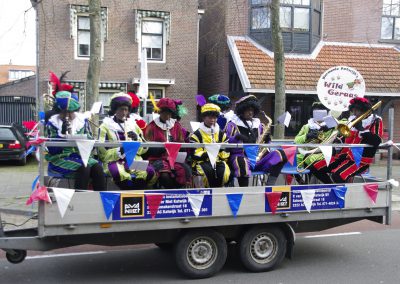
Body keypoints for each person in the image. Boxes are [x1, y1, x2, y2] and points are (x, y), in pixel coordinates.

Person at [309, 97, 383, 183]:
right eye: (353, 111)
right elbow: (346, 136)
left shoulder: (375, 120)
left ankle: (338, 192)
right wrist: (339, 140)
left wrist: (362, 130)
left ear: (364, 110)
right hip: (343, 156)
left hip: (359, 159)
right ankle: (332, 187)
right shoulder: (352, 120)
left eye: (357, 110)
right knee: (314, 167)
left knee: (337, 175)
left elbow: (377, 141)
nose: (355, 113)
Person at [45, 91, 106, 191]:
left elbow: (91, 142)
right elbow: (53, 150)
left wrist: (85, 141)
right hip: (60, 158)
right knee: (84, 168)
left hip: (82, 156)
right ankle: (79, 198)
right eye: (64, 112)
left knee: (98, 169)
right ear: (59, 111)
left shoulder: (82, 121)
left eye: (70, 111)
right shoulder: (53, 123)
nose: (67, 115)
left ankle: (102, 199)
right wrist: (63, 135)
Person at [98, 93, 156, 190]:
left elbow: (145, 147)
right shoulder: (105, 126)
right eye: (121, 109)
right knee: (118, 173)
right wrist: (118, 151)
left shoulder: (133, 125)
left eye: (126, 109)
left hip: (134, 159)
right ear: (115, 110)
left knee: (148, 171)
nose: (124, 112)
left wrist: (136, 139)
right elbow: (101, 150)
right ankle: (129, 197)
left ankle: (137, 197)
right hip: (114, 160)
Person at [225, 95, 287, 187]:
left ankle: (270, 185)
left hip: (257, 158)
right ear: (242, 111)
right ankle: (244, 192)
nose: (250, 112)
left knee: (281, 154)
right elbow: (226, 141)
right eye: (248, 110)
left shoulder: (259, 125)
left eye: (252, 110)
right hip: (241, 156)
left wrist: (267, 142)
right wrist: (236, 138)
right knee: (241, 162)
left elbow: (265, 143)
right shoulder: (232, 124)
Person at [143, 98, 192, 188]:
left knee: (184, 172)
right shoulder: (151, 126)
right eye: (165, 112)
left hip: (174, 158)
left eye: (169, 113)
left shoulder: (176, 125)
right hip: (157, 158)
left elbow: (182, 144)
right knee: (164, 176)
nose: (167, 116)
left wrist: (176, 145)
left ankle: (178, 195)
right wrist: (161, 148)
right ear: (160, 112)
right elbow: (147, 147)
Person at [190, 103, 231, 188]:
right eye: (210, 117)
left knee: (224, 173)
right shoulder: (197, 134)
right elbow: (195, 153)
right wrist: (209, 153)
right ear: (204, 118)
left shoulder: (220, 133)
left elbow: (226, 149)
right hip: (202, 161)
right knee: (206, 172)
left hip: (218, 160)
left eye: (215, 117)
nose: (212, 120)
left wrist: (218, 153)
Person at [294, 102, 336, 183]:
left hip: (324, 154)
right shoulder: (307, 126)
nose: (318, 115)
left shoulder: (332, 125)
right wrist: (307, 136)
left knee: (309, 159)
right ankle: (301, 181)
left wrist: (332, 124)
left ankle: (309, 182)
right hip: (307, 152)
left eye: (321, 112)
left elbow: (344, 126)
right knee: (291, 159)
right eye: (316, 113)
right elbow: (296, 140)